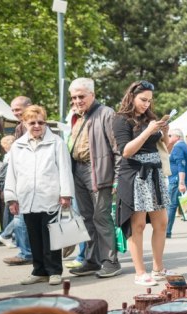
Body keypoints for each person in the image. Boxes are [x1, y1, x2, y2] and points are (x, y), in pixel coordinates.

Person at [4, 105, 74, 286]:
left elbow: (65, 170)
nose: (37, 126)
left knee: (51, 235)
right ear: (24, 123)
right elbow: (11, 173)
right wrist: (11, 197)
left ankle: (54, 271)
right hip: (26, 197)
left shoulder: (56, 142)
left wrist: (66, 194)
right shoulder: (17, 146)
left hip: (51, 196)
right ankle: (39, 270)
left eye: (40, 122)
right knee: (33, 235)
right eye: (32, 122)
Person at [113, 80, 171, 287]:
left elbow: (166, 149)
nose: (146, 104)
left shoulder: (150, 118)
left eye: (149, 101)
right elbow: (126, 151)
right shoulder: (121, 119)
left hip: (155, 174)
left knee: (161, 223)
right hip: (135, 175)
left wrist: (165, 132)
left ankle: (158, 268)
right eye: (143, 100)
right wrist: (148, 131)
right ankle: (140, 272)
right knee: (137, 225)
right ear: (132, 97)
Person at [68, 78, 122, 278]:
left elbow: (118, 149)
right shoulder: (76, 116)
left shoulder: (106, 113)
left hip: (98, 170)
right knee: (86, 219)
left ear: (92, 94)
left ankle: (110, 261)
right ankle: (92, 260)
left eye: (81, 96)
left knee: (101, 217)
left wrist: (117, 178)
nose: (77, 100)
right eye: (73, 97)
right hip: (78, 170)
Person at [1, 97, 34, 266]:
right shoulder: (20, 127)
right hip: (23, 179)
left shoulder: (34, 124)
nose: (15, 113)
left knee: (22, 218)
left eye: (18, 109)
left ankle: (27, 253)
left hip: (33, 180)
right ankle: (28, 252)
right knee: (21, 218)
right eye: (13, 110)